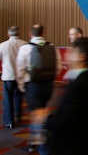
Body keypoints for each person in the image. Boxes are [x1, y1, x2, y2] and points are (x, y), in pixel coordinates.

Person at [34, 37, 88, 155]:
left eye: (72, 52)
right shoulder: (83, 78)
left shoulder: (81, 83)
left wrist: (45, 118)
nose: (68, 54)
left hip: (72, 145)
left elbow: (68, 121)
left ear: (82, 56)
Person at [16, 24, 62, 152]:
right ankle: (45, 137)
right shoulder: (52, 47)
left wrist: (22, 85)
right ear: (43, 33)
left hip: (33, 86)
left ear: (31, 34)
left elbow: (20, 70)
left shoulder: (25, 48)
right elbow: (57, 67)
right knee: (45, 111)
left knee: (35, 113)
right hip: (48, 85)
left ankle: (37, 143)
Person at [0, 26, 26, 129]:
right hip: (20, 76)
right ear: (19, 34)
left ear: (8, 34)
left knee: (8, 100)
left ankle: (10, 121)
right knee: (18, 97)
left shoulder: (2, 45)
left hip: (8, 76)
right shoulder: (24, 44)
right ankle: (18, 115)